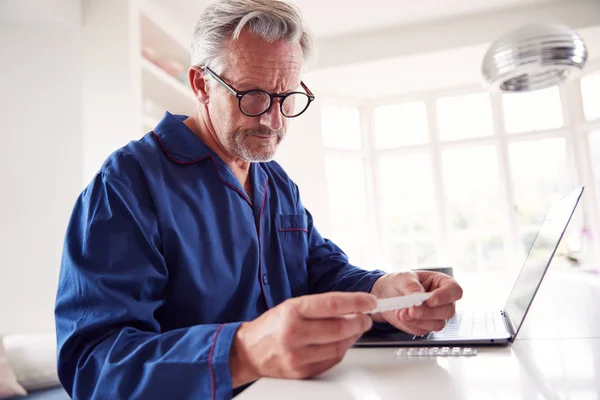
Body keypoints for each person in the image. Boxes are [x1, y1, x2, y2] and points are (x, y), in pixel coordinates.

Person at [55, 0, 463, 399]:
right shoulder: (126, 183)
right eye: (252, 95)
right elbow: (92, 364)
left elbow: (320, 272)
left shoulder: (275, 181)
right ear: (201, 84)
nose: (273, 120)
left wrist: (383, 294)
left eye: (287, 98)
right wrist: (243, 351)